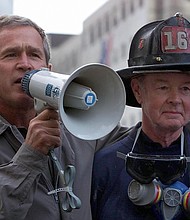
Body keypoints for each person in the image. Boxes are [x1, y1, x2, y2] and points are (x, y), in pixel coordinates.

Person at [0, 15, 130, 220]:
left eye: (34, 55)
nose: (25, 64)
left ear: (48, 71)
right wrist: (30, 155)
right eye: (10, 55)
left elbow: (143, 138)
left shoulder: (78, 128)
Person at [91, 13, 190, 220]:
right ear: (137, 90)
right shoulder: (105, 167)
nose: (176, 99)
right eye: (163, 87)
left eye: (186, 89)